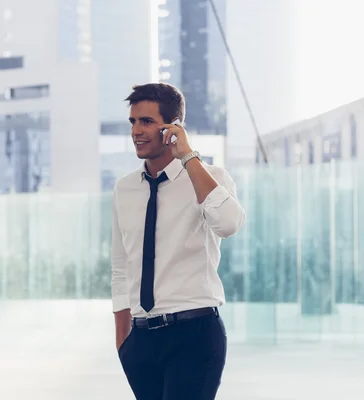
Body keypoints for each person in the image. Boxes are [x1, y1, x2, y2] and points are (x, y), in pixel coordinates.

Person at [111, 82, 245, 400]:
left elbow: (229, 224)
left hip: (194, 333)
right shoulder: (124, 189)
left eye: (147, 122)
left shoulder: (210, 178)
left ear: (173, 128)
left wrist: (187, 156)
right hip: (141, 341)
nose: (136, 131)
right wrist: (123, 343)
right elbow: (120, 266)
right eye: (133, 122)